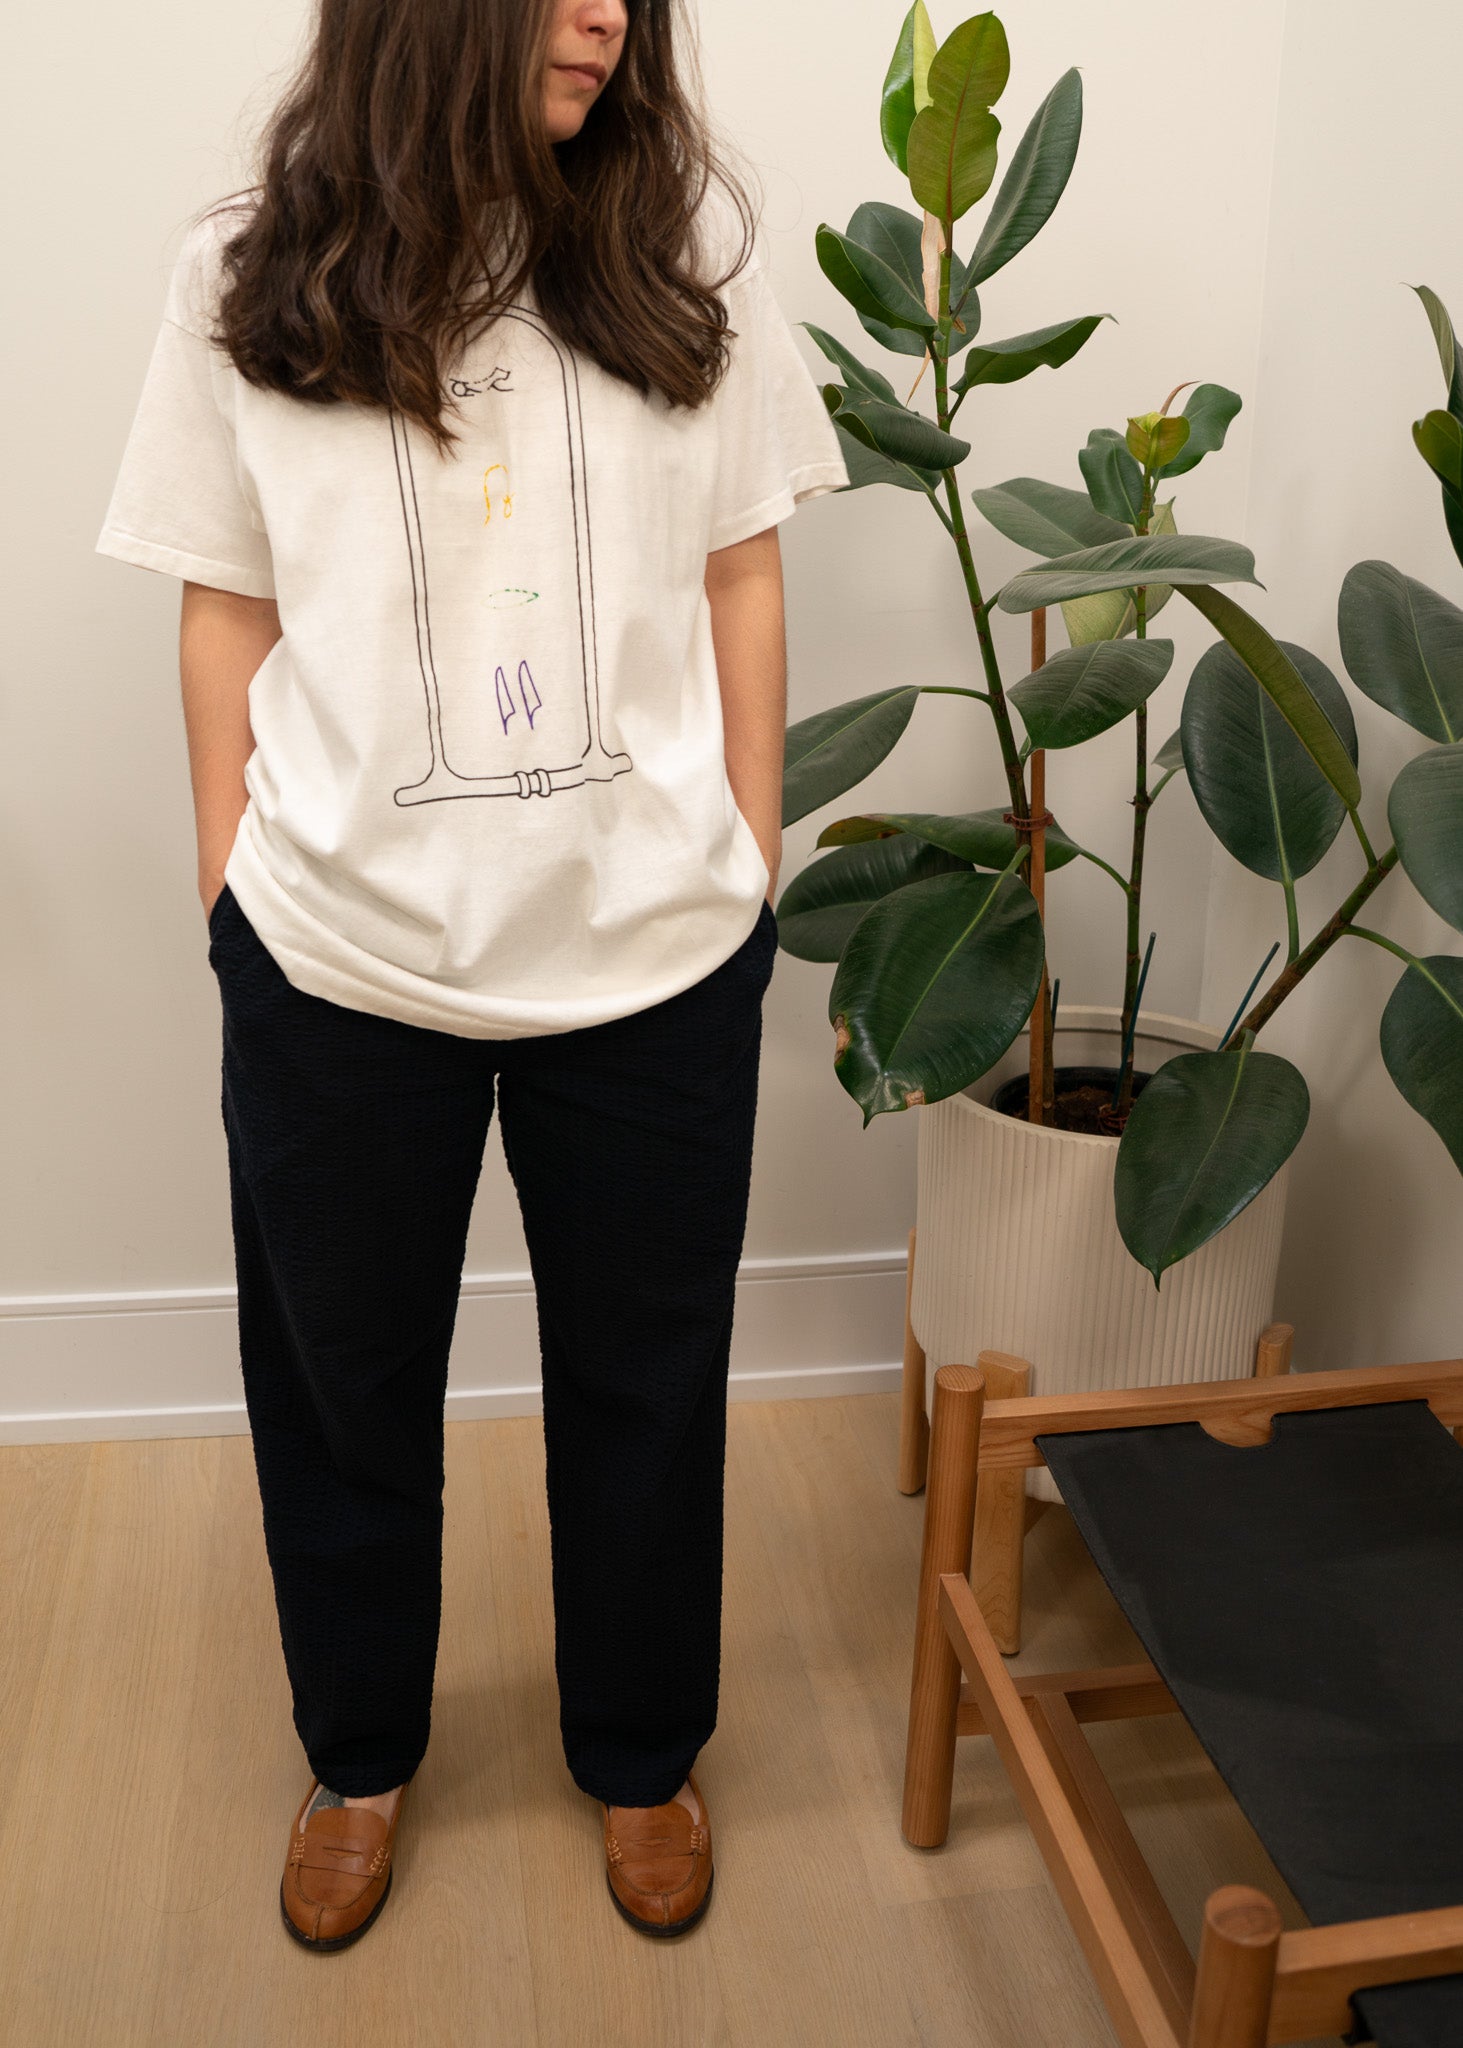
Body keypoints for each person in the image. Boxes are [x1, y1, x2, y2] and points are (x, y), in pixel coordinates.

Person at [95, 0, 847, 1952]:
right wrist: (229, 901)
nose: (604, 9)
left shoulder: (690, 251)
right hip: (336, 957)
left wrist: (747, 863)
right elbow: (225, 590)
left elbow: (747, 559)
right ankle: (358, 1752)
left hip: (658, 951)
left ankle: (642, 1750)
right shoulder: (247, 269)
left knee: (649, 1384)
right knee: (339, 1390)